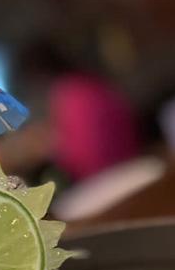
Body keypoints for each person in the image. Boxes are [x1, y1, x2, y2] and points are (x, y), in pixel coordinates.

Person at [9, 41, 142, 183]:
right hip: (131, 162)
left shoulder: (70, 94)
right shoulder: (86, 81)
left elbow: (87, 155)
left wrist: (49, 146)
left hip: (113, 176)